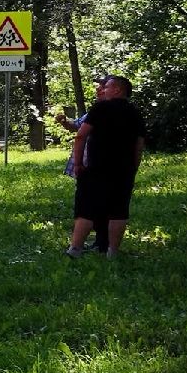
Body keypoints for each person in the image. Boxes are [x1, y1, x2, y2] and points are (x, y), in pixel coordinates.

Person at [66, 74, 147, 258]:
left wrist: (78, 163)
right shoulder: (135, 112)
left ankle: (75, 249)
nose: (103, 90)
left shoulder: (100, 108)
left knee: (86, 209)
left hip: (96, 168)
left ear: (118, 90)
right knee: (118, 211)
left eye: (107, 87)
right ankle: (112, 252)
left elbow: (80, 135)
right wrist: (133, 167)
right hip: (124, 170)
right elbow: (139, 144)